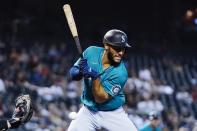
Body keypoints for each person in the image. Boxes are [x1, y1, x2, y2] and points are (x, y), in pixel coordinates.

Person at [68, 29, 138, 131]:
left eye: (123, 49)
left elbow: (100, 98)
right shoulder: (91, 51)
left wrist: (94, 76)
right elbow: (73, 74)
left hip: (112, 114)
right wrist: (80, 72)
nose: (121, 53)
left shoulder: (121, 73)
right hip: (88, 111)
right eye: (117, 48)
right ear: (106, 45)